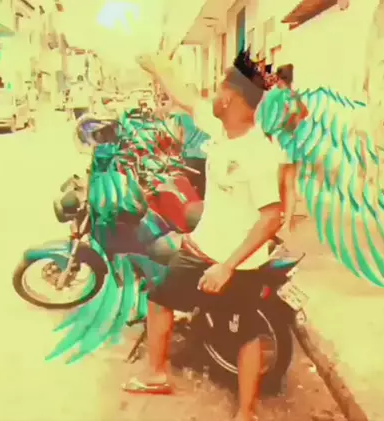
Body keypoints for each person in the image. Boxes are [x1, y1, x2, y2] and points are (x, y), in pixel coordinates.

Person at [125, 50, 287, 421]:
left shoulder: (258, 153)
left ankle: (245, 412)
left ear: (229, 98)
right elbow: (185, 97)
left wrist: (226, 267)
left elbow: (271, 218)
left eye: (217, 89)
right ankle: (158, 374)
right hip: (202, 249)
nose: (211, 96)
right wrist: (159, 67)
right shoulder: (222, 130)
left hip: (233, 263)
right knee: (160, 298)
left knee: (245, 333)